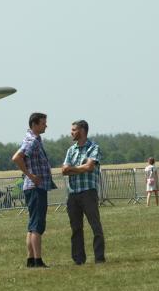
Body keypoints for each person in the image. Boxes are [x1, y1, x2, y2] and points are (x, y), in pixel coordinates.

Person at [12, 112, 55, 268]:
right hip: (36, 187)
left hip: (33, 187)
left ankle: (30, 260)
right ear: (34, 125)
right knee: (37, 225)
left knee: (32, 226)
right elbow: (17, 158)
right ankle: (38, 260)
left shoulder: (33, 139)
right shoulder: (32, 141)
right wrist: (30, 175)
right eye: (43, 123)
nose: (46, 126)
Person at [62, 120, 106, 265]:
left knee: (95, 225)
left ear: (82, 131)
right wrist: (79, 168)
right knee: (76, 228)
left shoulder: (93, 147)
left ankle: (99, 258)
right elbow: (64, 170)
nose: (71, 132)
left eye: (74, 130)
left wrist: (72, 169)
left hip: (88, 192)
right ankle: (78, 259)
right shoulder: (71, 150)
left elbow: (89, 167)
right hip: (73, 194)